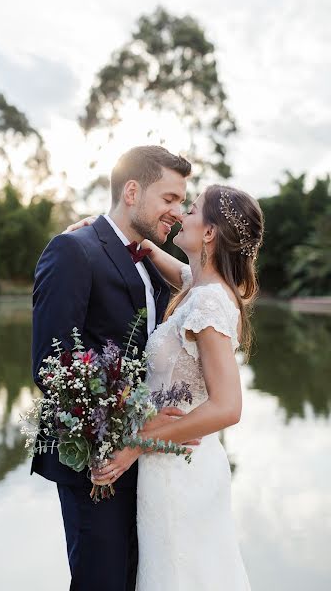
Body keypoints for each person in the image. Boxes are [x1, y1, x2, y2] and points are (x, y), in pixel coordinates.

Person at [82, 184, 264, 590]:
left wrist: (138, 443)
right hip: (169, 468)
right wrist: (111, 229)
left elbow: (227, 408)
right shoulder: (198, 286)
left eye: (193, 208)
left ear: (211, 232)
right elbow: (170, 264)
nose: (182, 213)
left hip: (182, 470)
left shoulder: (209, 302)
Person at [31, 145, 195, 591]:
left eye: (182, 203)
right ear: (131, 190)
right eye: (169, 199)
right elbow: (52, 367)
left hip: (148, 465)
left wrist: (148, 438)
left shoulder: (152, 263)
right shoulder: (73, 250)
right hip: (94, 465)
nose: (177, 213)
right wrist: (134, 427)